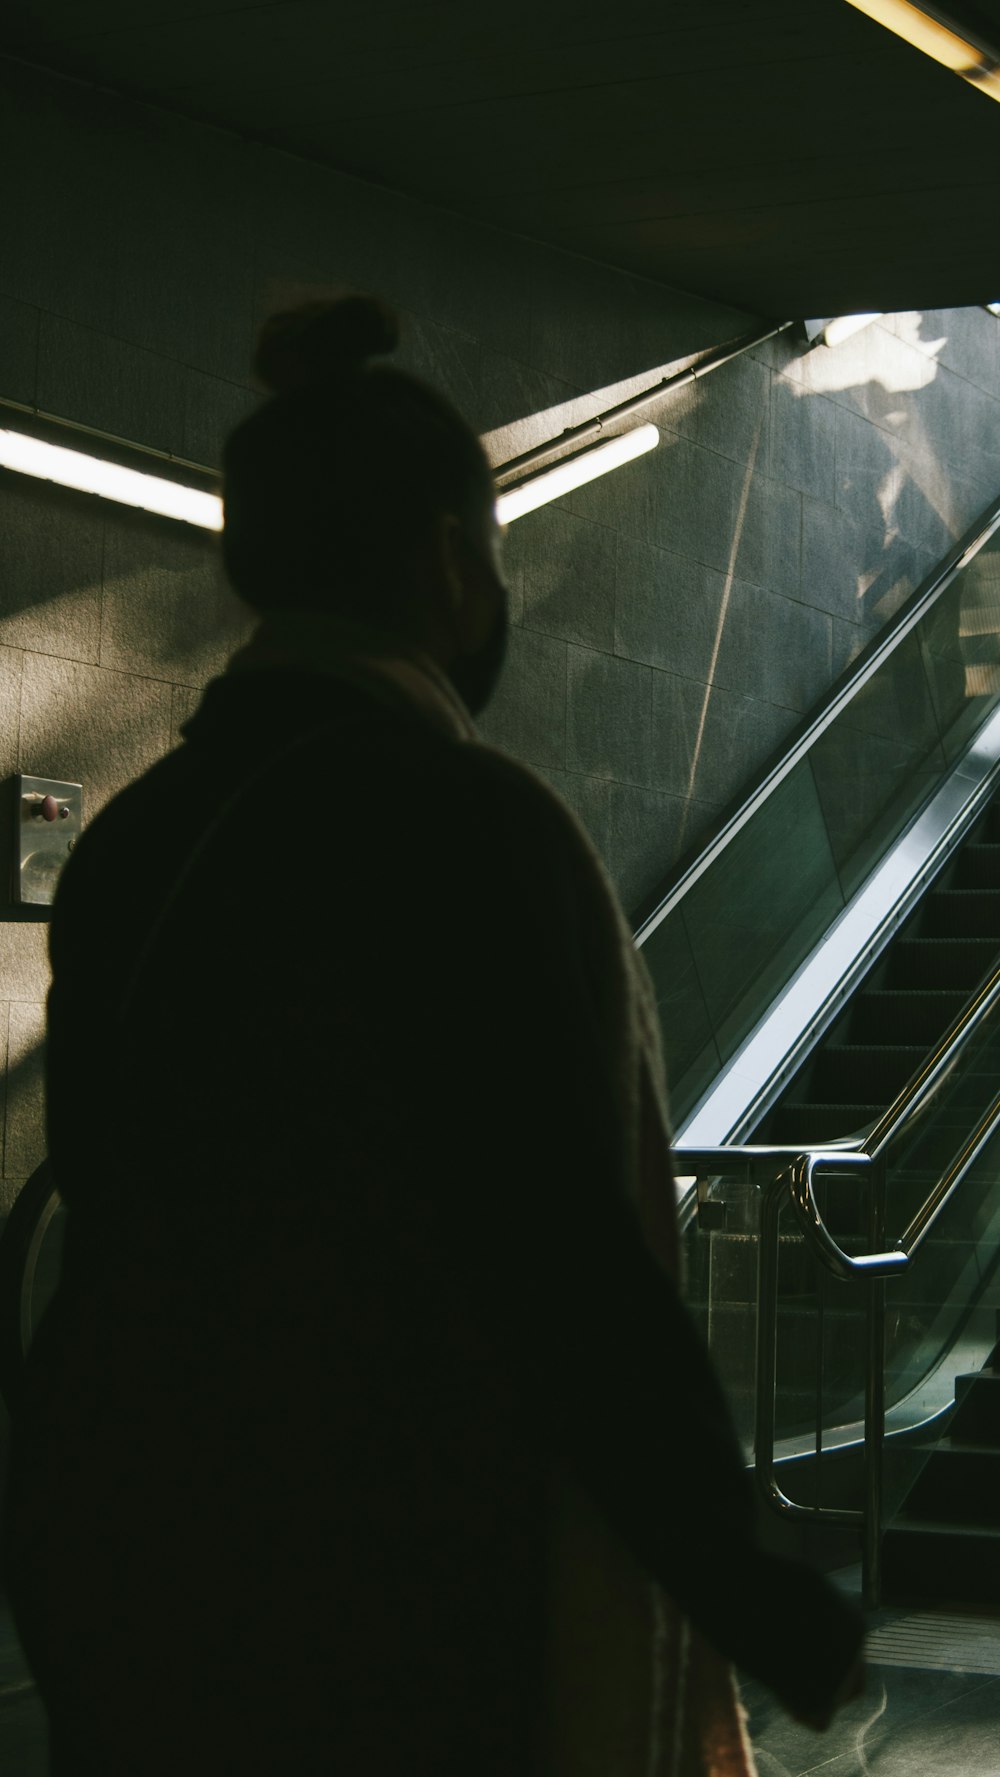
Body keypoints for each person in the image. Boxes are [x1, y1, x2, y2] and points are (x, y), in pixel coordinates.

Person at [2, 296, 863, 1775]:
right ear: (455, 566)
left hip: (134, 1547)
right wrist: (749, 1587)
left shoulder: (139, 836)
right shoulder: (473, 825)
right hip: (388, 1576)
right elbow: (567, 1253)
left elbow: (104, 1187)